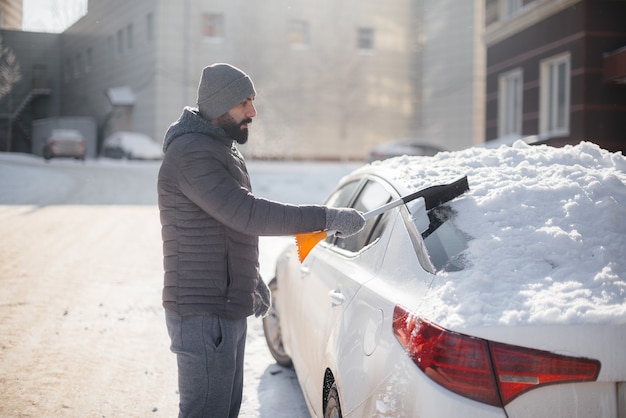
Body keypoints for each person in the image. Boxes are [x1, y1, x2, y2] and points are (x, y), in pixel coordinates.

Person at [157, 63, 365, 418]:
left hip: (223, 308)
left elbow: (228, 227)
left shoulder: (218, 148)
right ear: (220, 105)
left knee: (224, 411)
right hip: (203, 313)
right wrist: (325, 219)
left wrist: (250, 277)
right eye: (244, 103)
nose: (252, 112)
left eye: (252, 101)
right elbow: (246, 213)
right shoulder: (191, 153)